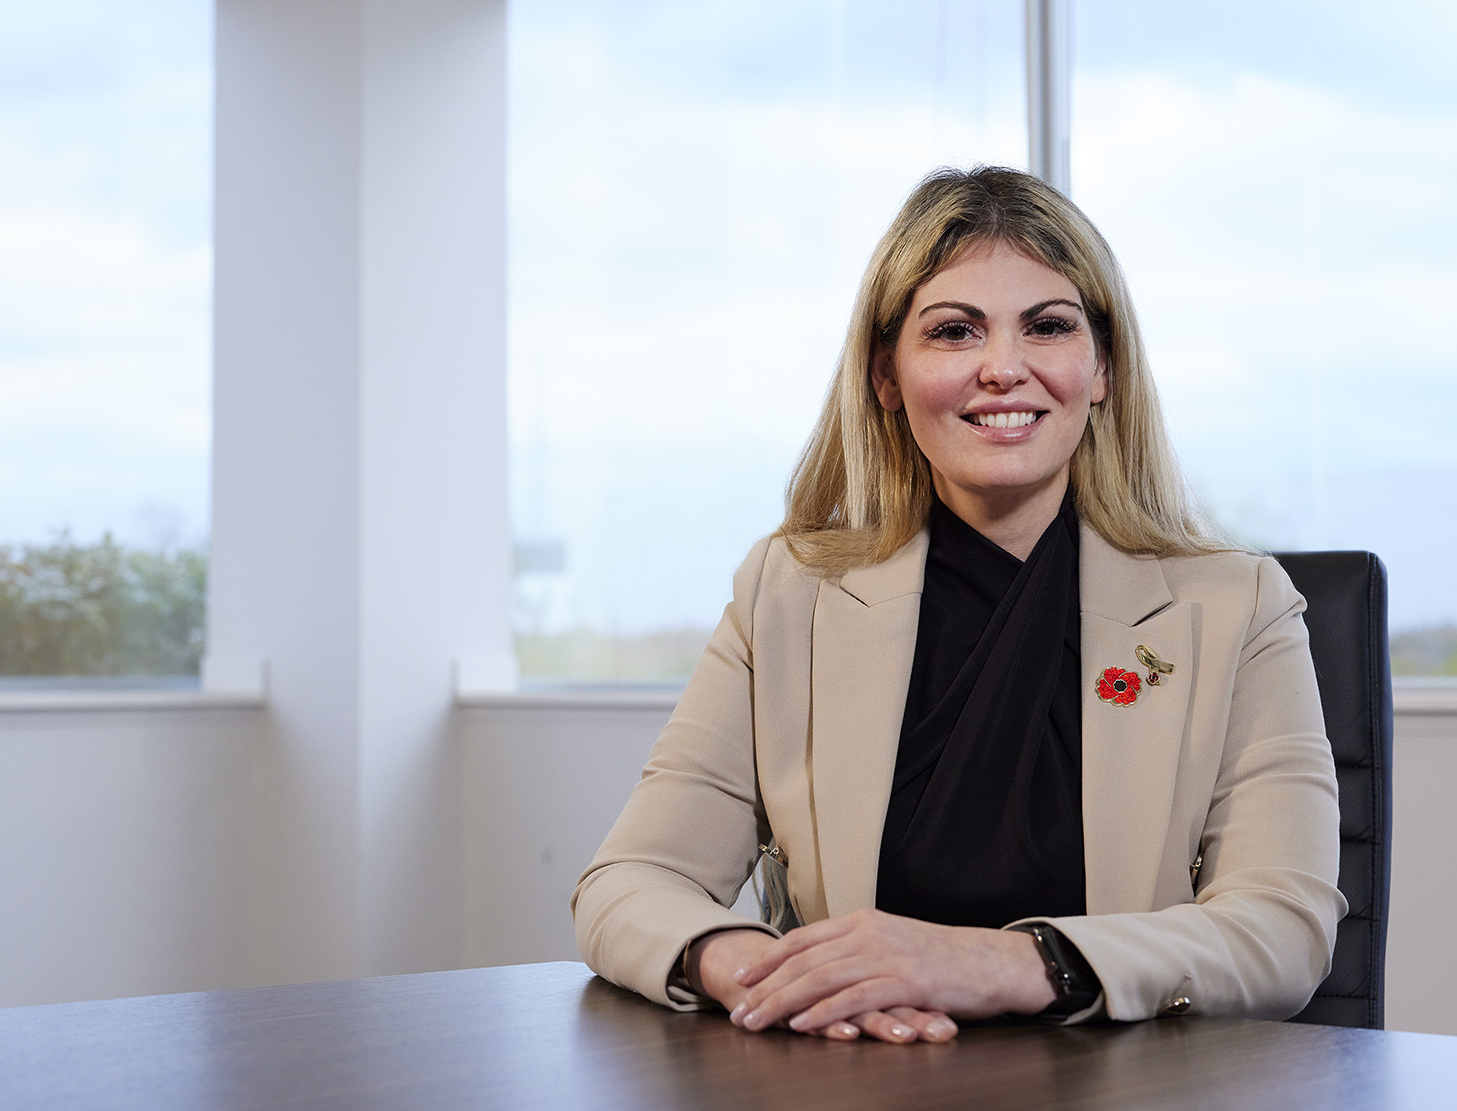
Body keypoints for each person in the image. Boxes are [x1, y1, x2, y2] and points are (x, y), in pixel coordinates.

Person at [571, 165, 1344, 1045]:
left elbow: (1284, 930)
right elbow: (631, 880)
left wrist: (1000, 965)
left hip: (1125, 1108)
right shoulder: (788, 594)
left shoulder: (1235, 606)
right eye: (953, 332)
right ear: (887, 378)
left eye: (1048, 327)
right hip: (854, 1092)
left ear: (1101, 371)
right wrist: (774, 972)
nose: (1003, 369)